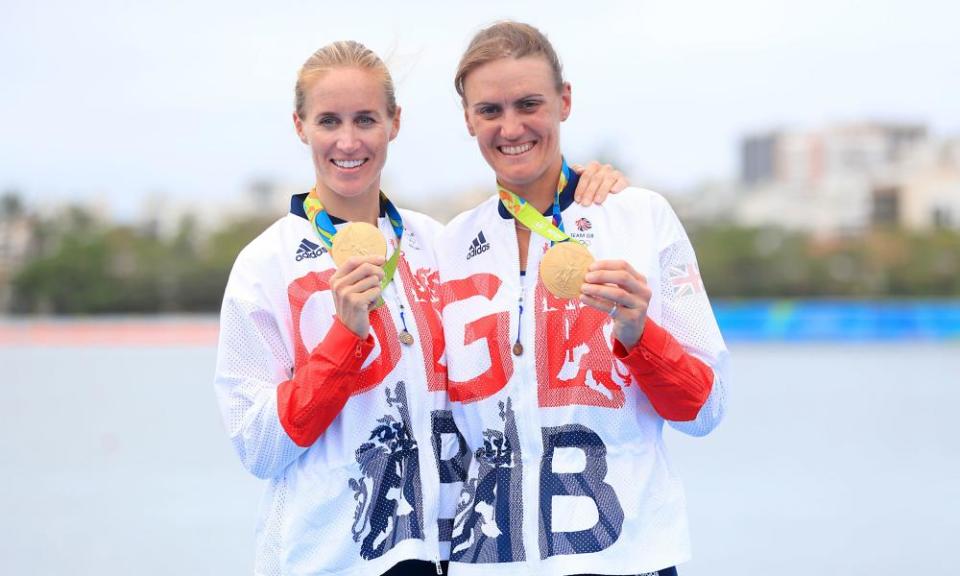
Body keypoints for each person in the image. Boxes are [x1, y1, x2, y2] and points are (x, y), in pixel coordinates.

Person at [213, 40, 628, 576]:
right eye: (327, 121)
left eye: (365, 119)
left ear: (394, 123)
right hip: (326, 560)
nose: (348, 140)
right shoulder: (264, 266)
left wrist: (592, 189)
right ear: (299, 126)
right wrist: (343, 338)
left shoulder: (440, 245)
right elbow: (258, 448)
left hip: (450, 557)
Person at [434, 22, 730, 576]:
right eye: (490, 110)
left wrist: (641, 334)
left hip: (627, 557)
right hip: (489, 564)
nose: (512, 127)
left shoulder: (639, 217)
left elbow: (706, 410)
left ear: (564, 101)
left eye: (529, 104)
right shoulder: (447, 246)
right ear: (469, 118)